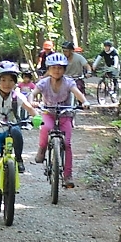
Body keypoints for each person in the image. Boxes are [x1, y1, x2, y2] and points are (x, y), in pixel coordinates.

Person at [0, 61, 36, 206]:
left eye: (11, 80)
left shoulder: (17, 96)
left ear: (15, 81)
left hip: (10, 130)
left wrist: (36, 117)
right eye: (3, 80)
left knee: (16, 131)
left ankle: (19, 159)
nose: (7, 83)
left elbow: (30, 109)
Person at [32, 52, 86, 188]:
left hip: (65, 114)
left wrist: (84, 102)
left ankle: (68, 175)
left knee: (67, 144)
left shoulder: (68, 82)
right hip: (49, 113)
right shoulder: (44, 83)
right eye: (54, 67)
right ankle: (42, 149)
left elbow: (77, 93)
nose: (57, 70)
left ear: (64, 69)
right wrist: (31, 101)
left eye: (60, 68)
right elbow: (33, 93)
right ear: (49, 69)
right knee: (45, 128)